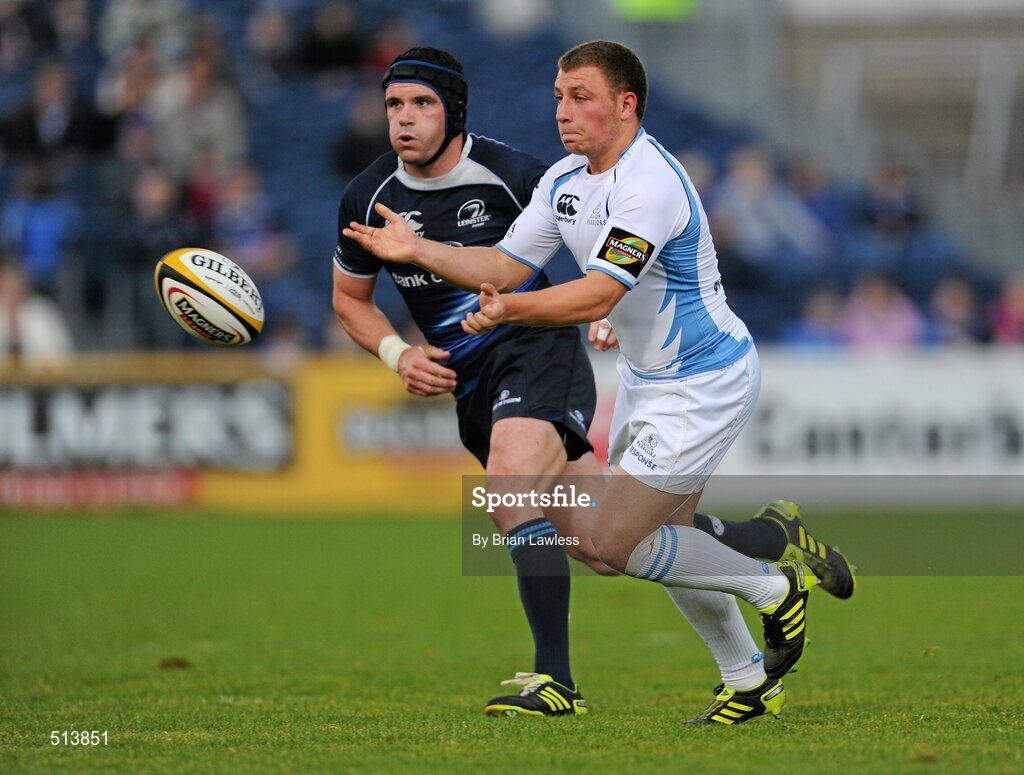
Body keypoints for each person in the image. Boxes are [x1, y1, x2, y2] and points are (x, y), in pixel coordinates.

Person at [344, 40, 855, 725]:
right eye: (558, 97)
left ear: (626, 104)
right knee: (663, 540)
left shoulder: (651, 184)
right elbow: (500, 266)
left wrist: (515, 308)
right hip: (651, 379)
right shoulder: (564, 181)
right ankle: (749, 678)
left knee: (611, 543)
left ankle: (774, 586)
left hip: (705, 380)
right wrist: (416, 251)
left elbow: (590, 297)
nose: (563, 111)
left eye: (580, 96)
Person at [332, 46, 612, 718]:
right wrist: (398, 354)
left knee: (508, 489)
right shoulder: (368, 196)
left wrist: (610, 312)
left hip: (539, 350)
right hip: (472, 385)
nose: (404, 119)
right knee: (607, 543)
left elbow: (602, 246)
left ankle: (556, 681)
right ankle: (766, 544)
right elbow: (350, 300)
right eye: (395, 104)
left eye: (422, 104)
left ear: (453, 110)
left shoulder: (514, 174)